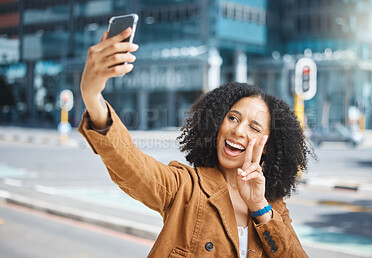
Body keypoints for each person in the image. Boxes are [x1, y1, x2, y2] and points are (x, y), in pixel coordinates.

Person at [78, 27, 311, 257]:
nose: (238, 130)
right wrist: (92, 96)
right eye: (232, 118)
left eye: (253, 127)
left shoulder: (273, 206)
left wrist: (259, 206)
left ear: (267, 145)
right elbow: (131, 165)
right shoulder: (186, 188)